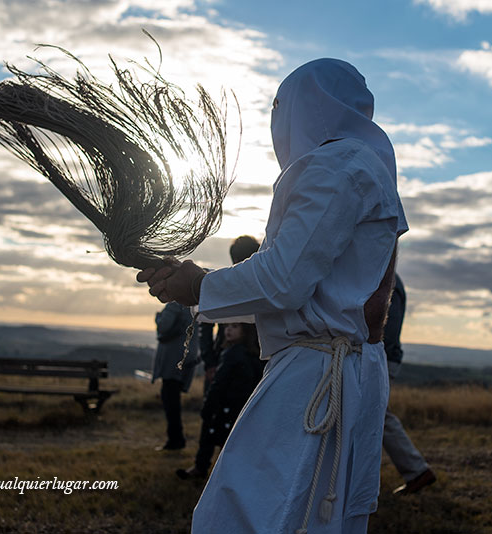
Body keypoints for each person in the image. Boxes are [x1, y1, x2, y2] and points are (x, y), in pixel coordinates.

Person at [138, 58, 407, 533]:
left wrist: (199, 285)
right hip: (350, 369)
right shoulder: (368, 166)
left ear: (301, 109)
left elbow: (285, 279)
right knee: (320, 516)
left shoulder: (335, 166)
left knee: (246, 514)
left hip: (316, 373)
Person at [177, 322, 263, 480]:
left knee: (229, 433)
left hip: (237, 395)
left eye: (234, 327)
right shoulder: (230, 352)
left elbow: (219, 386)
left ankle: (226, 474)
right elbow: (206, 324)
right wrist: (210, 362)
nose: (228, 329)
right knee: (216, 429)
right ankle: (203, 467)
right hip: (226, 379)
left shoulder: (242, 354)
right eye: (228, 326)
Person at [382, 274, 436, 494]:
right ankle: (416, 471)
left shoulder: (387, 279)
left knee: (377, 415)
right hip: (384, 357)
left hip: (382, 359)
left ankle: (417, 471)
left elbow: (385, 331)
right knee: (376, 415)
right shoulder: (387, 277)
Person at [198, 236, 261, 393]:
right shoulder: (226, 284)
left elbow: (204, 325)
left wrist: (210, 362)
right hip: (226, 358)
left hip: (252, 362)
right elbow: (205, 325)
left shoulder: (258, 285)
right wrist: (210, 363)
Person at [152, 301, 198, 451]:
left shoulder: (174, 304)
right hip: (185, 358)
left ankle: (175, 440)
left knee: (170, 400)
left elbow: (164, 326)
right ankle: (176, 439)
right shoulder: (193, 305)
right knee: (173, 400)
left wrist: (158, 317)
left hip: (172, 360)